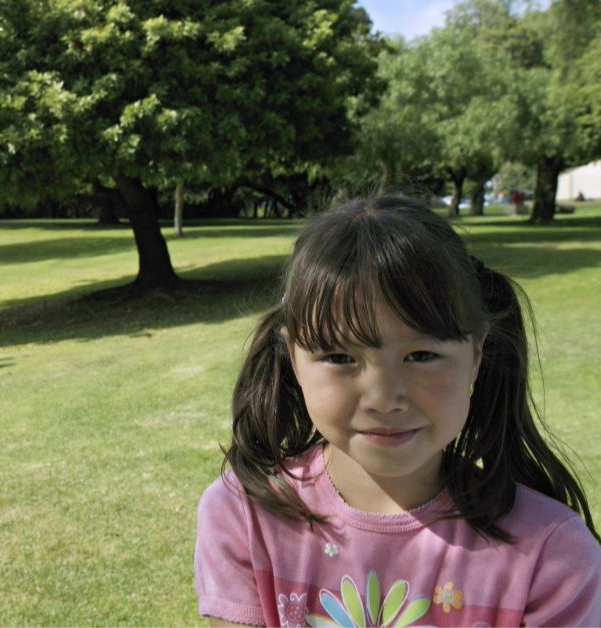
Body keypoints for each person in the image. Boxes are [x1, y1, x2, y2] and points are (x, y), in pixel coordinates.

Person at [195, 196, 601, 627]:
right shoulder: (245, 516)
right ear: (293, 356)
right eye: (339, 357)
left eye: (422, 355)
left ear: (476, 354)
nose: (384, 398)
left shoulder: (553, 555)